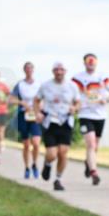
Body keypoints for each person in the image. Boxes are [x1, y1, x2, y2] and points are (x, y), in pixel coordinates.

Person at [35, 62, 80, 191]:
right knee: (52, 154)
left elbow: (78, 102)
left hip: (66, 121)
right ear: (53, 71)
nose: (59, 72)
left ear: (65, 71)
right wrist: (38, 113)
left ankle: (58, 179)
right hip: (50, 121)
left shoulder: (72, 86)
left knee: (63, 153)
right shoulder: (46, 85)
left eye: (61, 70)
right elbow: (36, 100)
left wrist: (74, 108)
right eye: (56, 70)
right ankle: (47, 163)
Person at [72, 53, 109, 186]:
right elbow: (72, 94)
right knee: (91, 144)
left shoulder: (103, 77)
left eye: (93, 62)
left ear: (96, 62)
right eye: (88, 62)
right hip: (85, 114)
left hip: (100, 115)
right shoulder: (77, 78)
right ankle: (94, 173)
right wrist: (75, 105)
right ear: (84, 63)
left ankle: (88, 163)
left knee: (95, 146)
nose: (91, 64)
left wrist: (106, 100)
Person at [10, 61, 41, 179]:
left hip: (35, 115)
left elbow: (44, 98)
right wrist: (22, 102)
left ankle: (35, 164)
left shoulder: (38, 84)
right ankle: (27, 167)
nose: (29, 70)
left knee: (36, 143)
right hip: (23, 115)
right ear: (24, 70)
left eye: (30, 68)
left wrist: (39, 107)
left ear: (33, 70)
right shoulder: (20, 85)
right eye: (27, 68)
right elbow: (11, 99)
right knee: (26, 145)